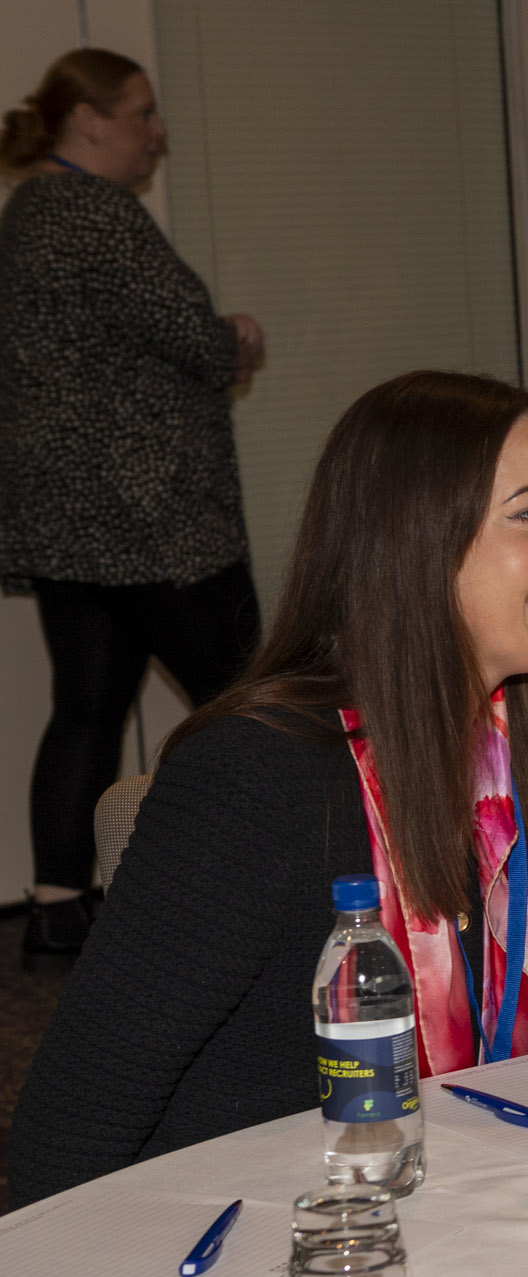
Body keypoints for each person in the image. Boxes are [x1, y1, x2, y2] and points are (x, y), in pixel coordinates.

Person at [8, 372, 528, 1208]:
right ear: (417, 543)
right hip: (279, 1228)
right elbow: (70, 1128)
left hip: (477, 1199)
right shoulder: (256, 773)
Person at [0, 50, 267, 968]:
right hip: (156, 523)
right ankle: (288, 884)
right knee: (258, 698)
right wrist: (236, 337)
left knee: (86, 709)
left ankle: (56, 908)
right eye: (143, 113)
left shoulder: (26, 214)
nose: (159, 133)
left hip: (69, 527)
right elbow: (196, 339)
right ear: (88, 119)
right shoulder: (99, 214)